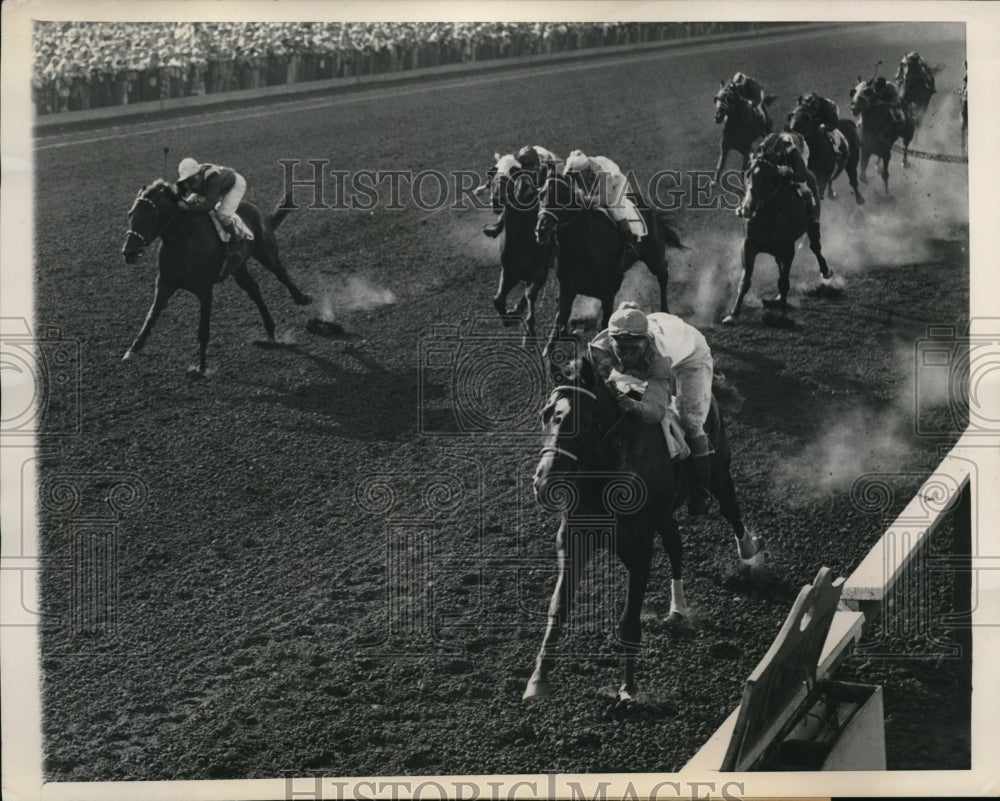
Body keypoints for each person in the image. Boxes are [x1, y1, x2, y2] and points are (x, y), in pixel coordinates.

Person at [590, 302, 715, 515]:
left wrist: (633, 405)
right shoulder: (599, 348)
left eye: (634, 349)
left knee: (691, 421)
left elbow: (656, 411)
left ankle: (702, 490)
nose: (627, 356)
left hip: (690, 354)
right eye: (621, 348)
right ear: (610, 342)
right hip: (662, 326)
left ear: (646, 342)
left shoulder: (659, 360)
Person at [561, 149, 646, 262]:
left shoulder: (601, 173)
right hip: (594, 184)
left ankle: (629, 243)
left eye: (576, 176)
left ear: (586, 171)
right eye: (571, 176)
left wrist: (584, 200)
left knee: (614, 208)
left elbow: (605, 198)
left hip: (616, 184)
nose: (573, 179)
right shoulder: (572, 171)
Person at [176, 157, 250, 271]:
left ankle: (235, 244)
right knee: (191, 201)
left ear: (199, 173)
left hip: (234, 184)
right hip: (210, 188)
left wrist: (188, 208)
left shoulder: (212, 178)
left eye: (192, 180)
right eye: (187, 181)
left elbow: (209, 205)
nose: (190, 184)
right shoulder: (187, 179)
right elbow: (179, 194)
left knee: (222, 214)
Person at [482, 144, 562, 238]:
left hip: (553, 176)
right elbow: (501, 169)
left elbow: (554, 183)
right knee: (513, 199)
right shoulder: (516, 164)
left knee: (553, 197)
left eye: (531, 168)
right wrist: (488, 184)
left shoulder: (549, 164)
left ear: (537, 164)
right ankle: (498, 226)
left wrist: (543, 190)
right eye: (525, 168)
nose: (529, 171)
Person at [742, 131, 819, 225]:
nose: (769, 157)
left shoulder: (791, 151)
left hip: (800, 149)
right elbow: (749, 169)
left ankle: (811, 216)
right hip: (778, 151)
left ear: (780, 152)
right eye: (767, 154)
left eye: (772, 155)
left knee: (803, 186)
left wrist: (788, 173)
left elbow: (802, 176)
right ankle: (745, 205)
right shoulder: (761, 150)